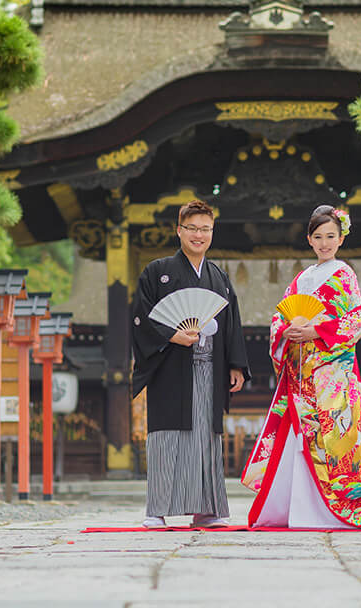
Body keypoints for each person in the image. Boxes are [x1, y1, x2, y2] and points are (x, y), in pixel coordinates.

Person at [241, 205, 361, 530]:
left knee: (331, 439)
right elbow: (280, 316)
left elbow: (355, 319)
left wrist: (316, 331)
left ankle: (332, 509)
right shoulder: (302, 278)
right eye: (318, 237)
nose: (324, 243)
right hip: (301, 372)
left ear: (341, 238)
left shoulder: (344, 274)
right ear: (309, 239)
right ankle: (297, 509)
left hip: (331, 374)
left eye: (330, 236)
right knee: (300, 438)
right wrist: (286, 331)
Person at [132, 199, 251, 528]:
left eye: (205, 229)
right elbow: (141, 317)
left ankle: (206, 510)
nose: (199, 235)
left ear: (212, 232)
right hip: (170, 365)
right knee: (167, 436)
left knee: (206, 437)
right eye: (192, 229)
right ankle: (157, 510)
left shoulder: (219, 277)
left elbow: (231, 324)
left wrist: (236, 365)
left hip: (210, 366)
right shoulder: (158, 272)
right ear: (179, 231)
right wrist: (172, 335)